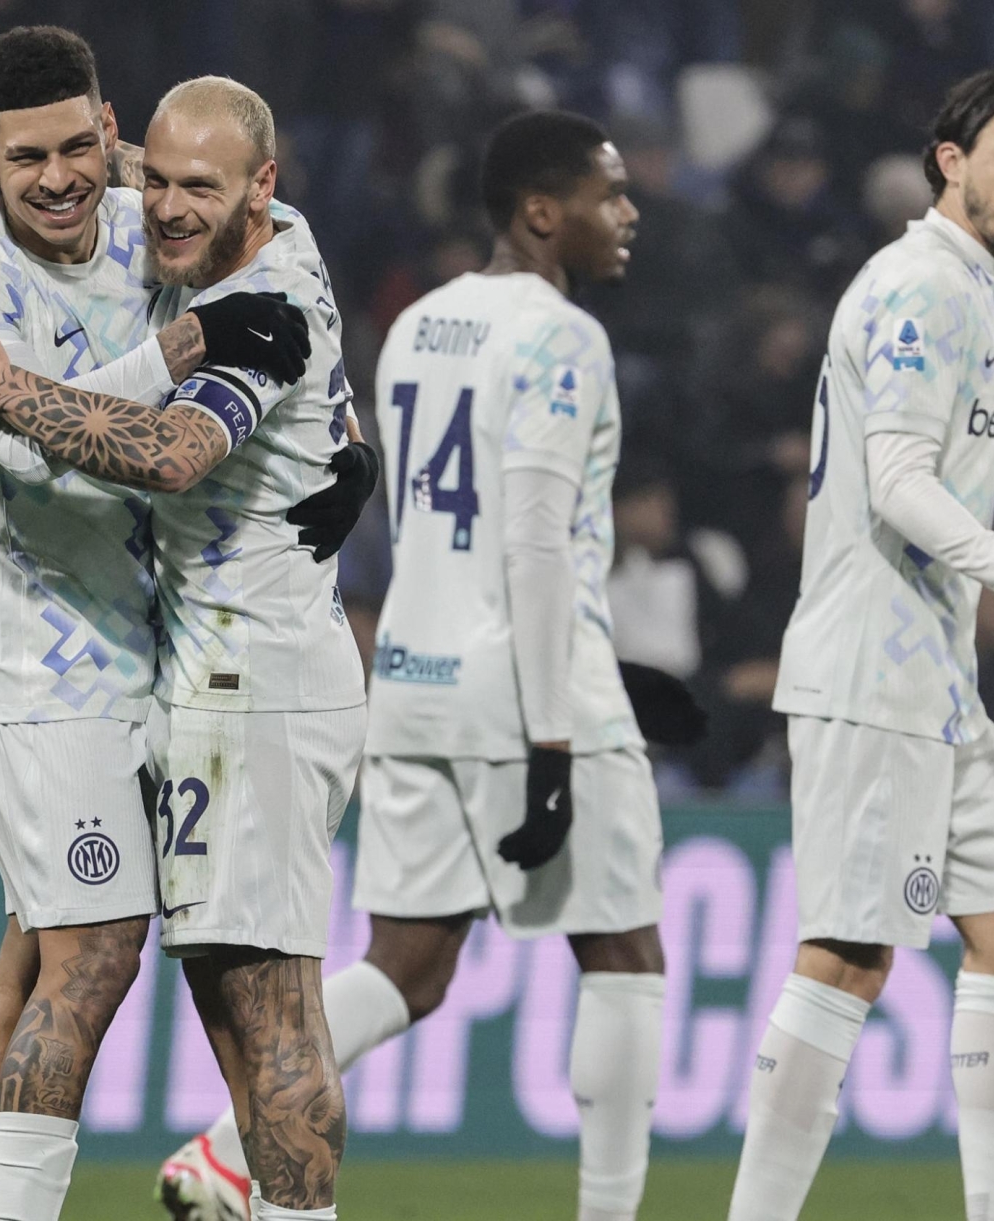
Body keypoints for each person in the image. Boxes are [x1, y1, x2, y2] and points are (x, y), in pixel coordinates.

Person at [177, 108, 672, 1221]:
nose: (627, 213)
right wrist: (553, 737)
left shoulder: (417, 327)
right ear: (543, 212)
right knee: (626, 951)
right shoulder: (564, 339)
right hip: (527, 690)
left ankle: (218, 1152)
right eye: (609, 193)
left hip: (409, 677)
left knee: (408, 964)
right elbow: (536, 540)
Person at [0, 29, 335, 1221]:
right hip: (30, 665)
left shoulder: (153, 217)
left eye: (75, 147)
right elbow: (54, 477)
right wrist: (179, 347)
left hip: (152, 658)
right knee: (90, 959)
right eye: (20, 157)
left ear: (108, 133)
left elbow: (227, 185)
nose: (54, 180)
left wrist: (340, 444)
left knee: (27, 965)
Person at [731, 70, 994, 1221]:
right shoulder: (926, 289)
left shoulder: (954, 285)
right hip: (876, 674)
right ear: (948, 160)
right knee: (848, 959)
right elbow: (899, 482)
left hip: (935, 681)